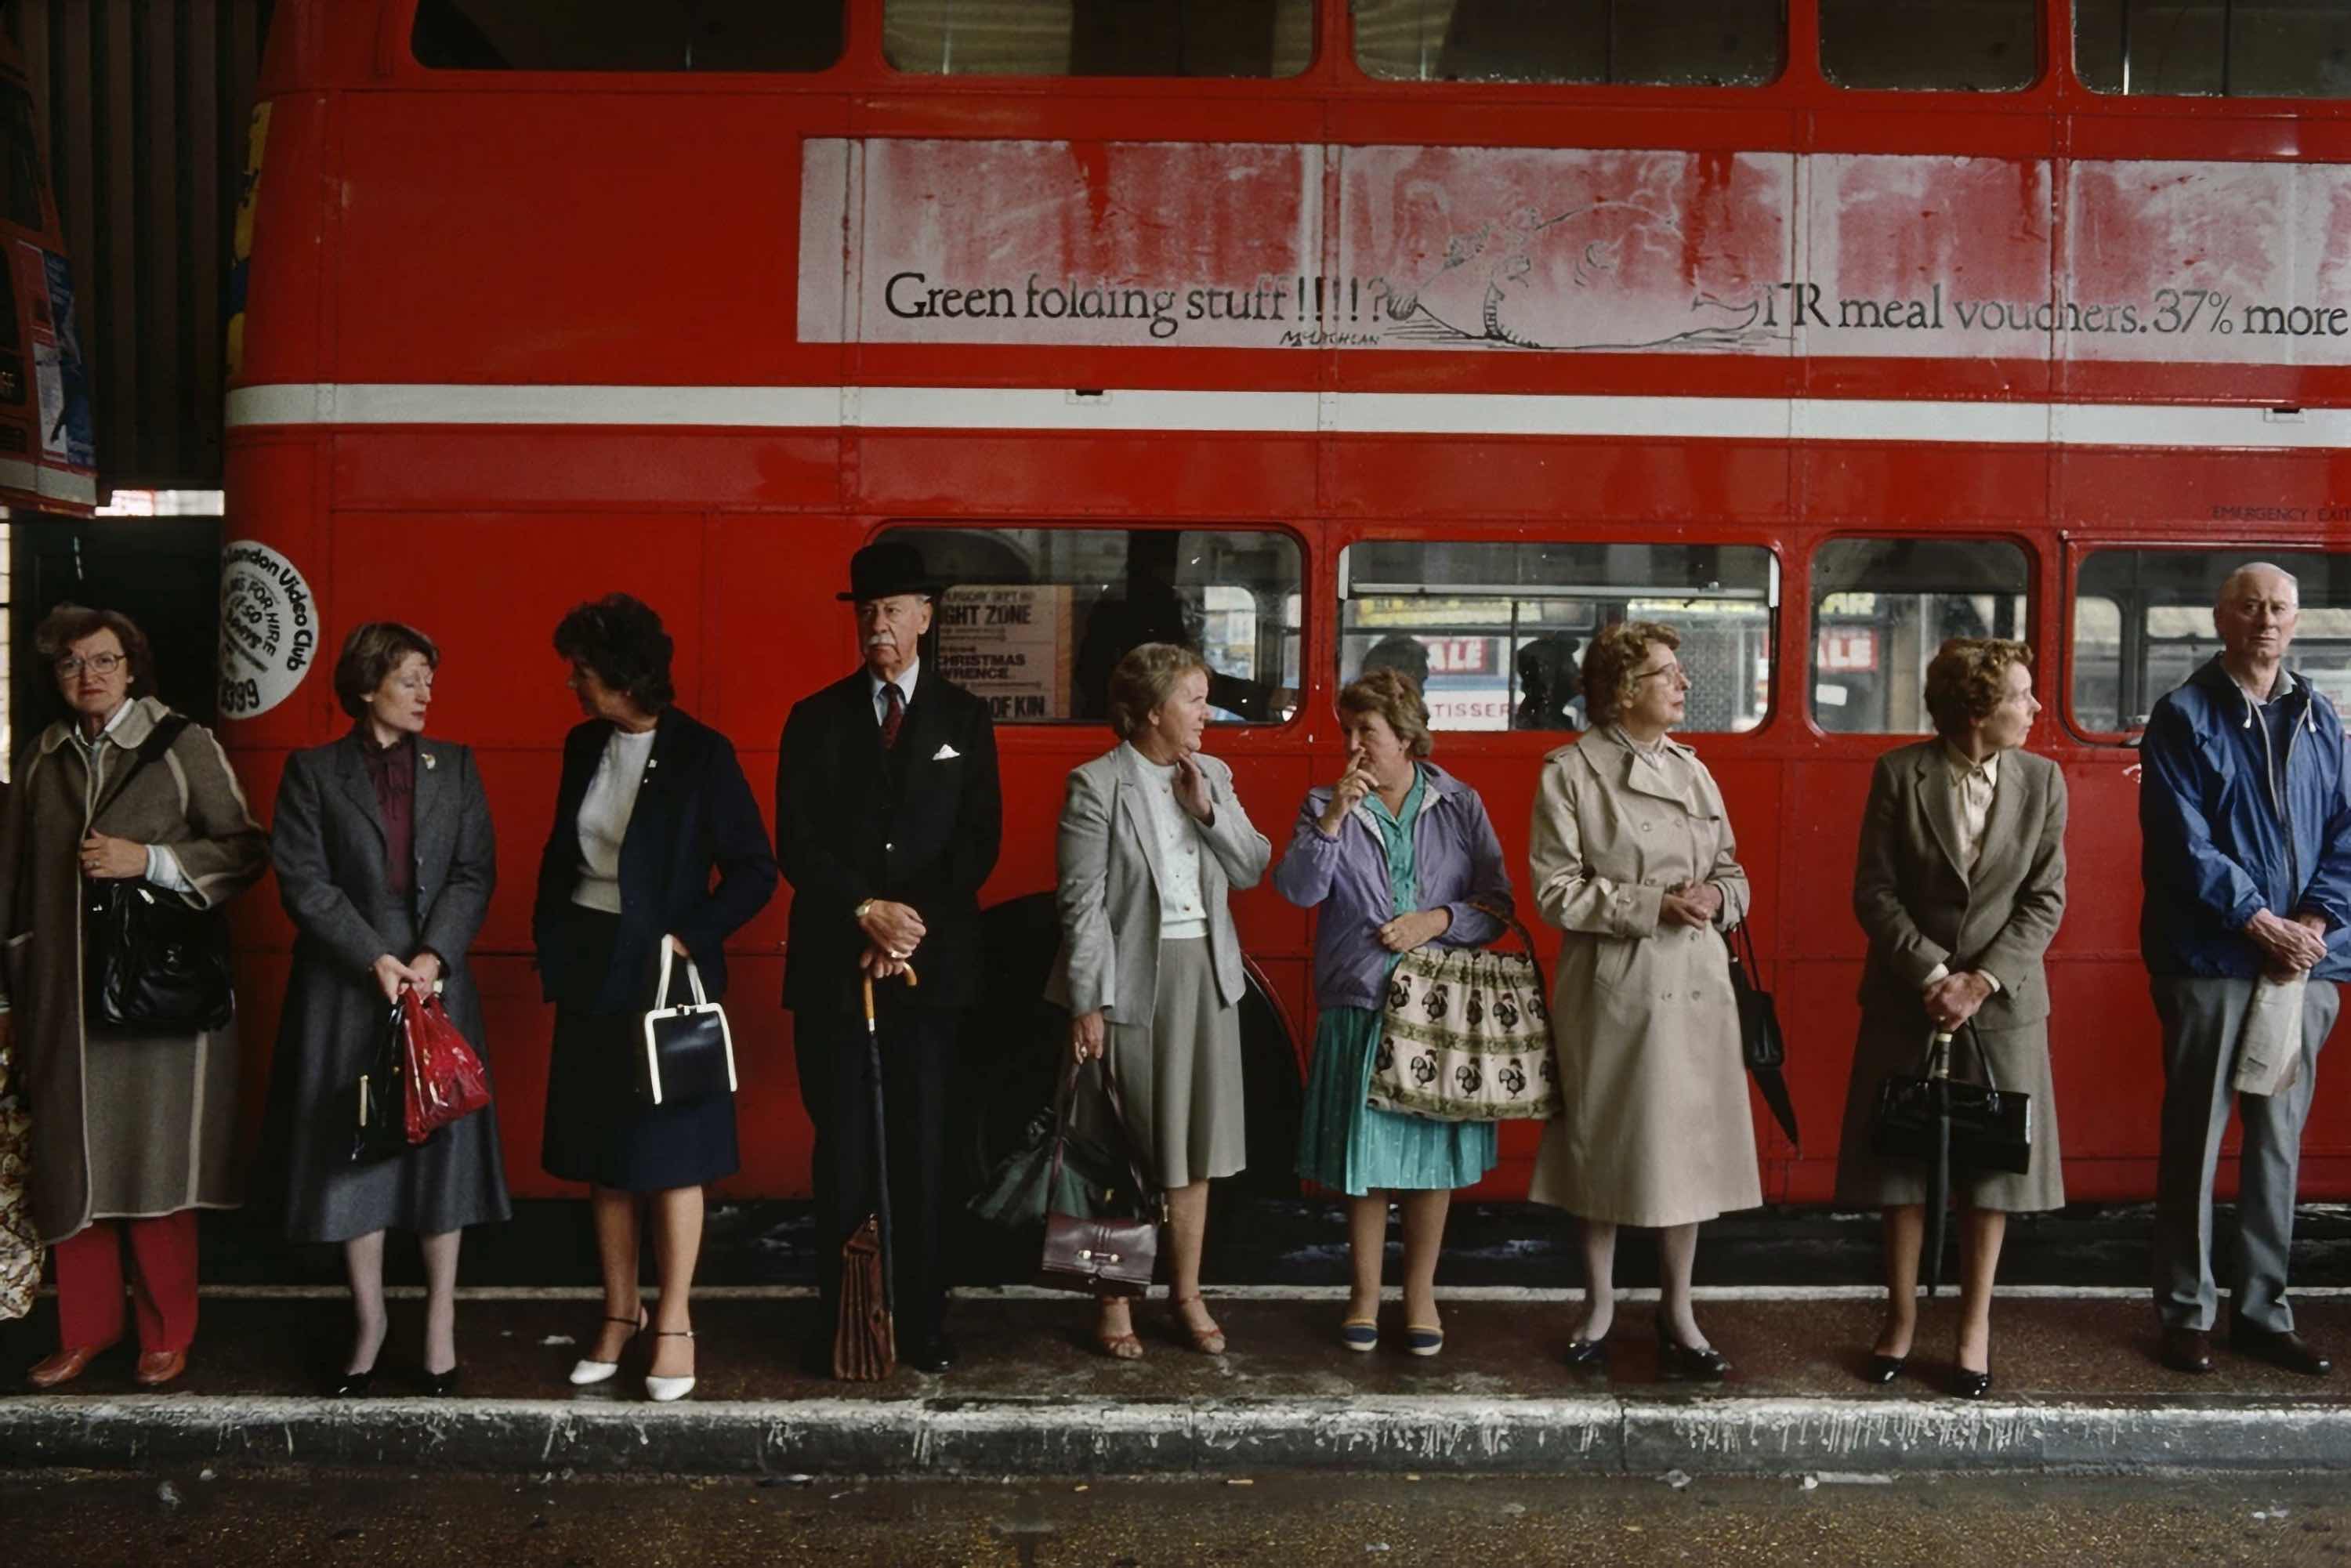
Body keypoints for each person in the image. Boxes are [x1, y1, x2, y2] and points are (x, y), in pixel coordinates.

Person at [2, 605, 267, 1389]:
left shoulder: (183, 744)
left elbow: (245, 848)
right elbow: (12, 884)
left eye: (104, 660)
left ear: (131, 667)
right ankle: (86, 1330)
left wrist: (147, 860)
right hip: (61, 999)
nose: (89, 675)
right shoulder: (42, 756)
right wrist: (14, 990)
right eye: (71, 663)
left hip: (158, 1002)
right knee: (70, 1164)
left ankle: (165, 1332)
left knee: (155, 1168)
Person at [534, 593, 777, 1402]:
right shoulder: (583, 745)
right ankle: (619, 1313)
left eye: (582, 671)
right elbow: (565, 856)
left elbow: (755, 870)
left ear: (623, 676)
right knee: (604, 1159)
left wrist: (688, 937)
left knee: (675, 1158)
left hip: (667, 980)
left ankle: (673, 1320)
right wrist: (555, 944)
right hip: (593, 970)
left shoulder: (703, 755)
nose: (572, 683)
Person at [264, 621, 511, 1396]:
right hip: (347, 983)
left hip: (436, 980)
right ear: (367, 686)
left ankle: (439, 1323)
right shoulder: (312, 772)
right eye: (409, 679)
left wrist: (433, 958)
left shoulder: (455, 766)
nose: (425, 693)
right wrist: (373, 957)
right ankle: (368, 1322)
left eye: (429, 678)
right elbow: (304, 882)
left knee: (443, 1154)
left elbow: (473, 872)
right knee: (356, 1152)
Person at [777, 541, 1001, 1375]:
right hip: (835, 971)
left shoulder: (964, 719)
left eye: (895, 609)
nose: (879, 623)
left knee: (925, 1145)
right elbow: (797, 840)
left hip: (930, 973)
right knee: (842, 1149)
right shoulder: (814, 717)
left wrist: (905, 928)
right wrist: (863, 913)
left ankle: (922, 1319)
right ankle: (847, 1322)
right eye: (868, 610)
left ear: (925, 618)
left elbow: (977, 841)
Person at [1832, 639, 2067, 1400]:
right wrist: (1936, 976)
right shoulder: (1900, 773)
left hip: (2004, 1004)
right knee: (1900, 1165)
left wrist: (1982, 981)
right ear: (1976, 708)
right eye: (2020, 696)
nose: (2034, 708)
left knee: (1990, 1170)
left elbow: (2045, 899)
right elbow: (1874, 891)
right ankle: (1900, 1319)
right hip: (1911, 998)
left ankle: (1973, 1329)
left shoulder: (2043, 781)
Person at [1526, 620, 1758, 1381]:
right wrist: (1654, 904)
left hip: (1694, 987)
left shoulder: (1694, 770)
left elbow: (1733, 871)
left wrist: (1718, 898)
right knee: (1605, 1147)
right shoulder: (1571, 773)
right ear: (1625, 690)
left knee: (1685, 1152)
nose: (1683, 684)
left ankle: (1678, 1309)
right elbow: (1555, 890)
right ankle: (1598, 1305)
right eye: (1667, 673)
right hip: (1617, 988)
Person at [2143, 562, 2351, 1379]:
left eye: (2279, 608)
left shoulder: (2321, 715)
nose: (2266, 620)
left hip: (2305, 964)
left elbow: (2348, 831)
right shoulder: (2184, 715)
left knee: (2277, 1144)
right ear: (2221, 618)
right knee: (2196, 1139)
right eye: (2251, 606)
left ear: (2295, 623)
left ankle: (2264, 1314)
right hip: (2213, 960)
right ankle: (2186, 1313)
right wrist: (2258, 920)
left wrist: (2314, 922)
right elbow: (2181, 841)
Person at [1277, 667, 1512, 1357]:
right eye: (1347, 731)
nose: (1353, 745)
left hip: (1436, 1006)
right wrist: (1332, 819)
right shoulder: (1322, 803)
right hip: (1361, 1000)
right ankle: (1363, 1294)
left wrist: (1435, 920)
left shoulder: (1459, 803)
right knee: (1368, 1158)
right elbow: (1297, 891)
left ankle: (1420, 1295)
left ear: (1406, 738)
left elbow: (1498, 904)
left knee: (1431, 1161)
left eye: (1367, 732)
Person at [1054, 643, 1270, 1359]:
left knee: (1195, 1145)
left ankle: (1185, 1292)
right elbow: (1082, 904)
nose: (1207, 713)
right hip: (1128, 983)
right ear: (1152, 711)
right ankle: (1113, 1297)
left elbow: (1252, 866)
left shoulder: (1214, 774)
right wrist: (1089, 1002)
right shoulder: (1096, 784)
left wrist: (1207, 811)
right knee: (1121, 1144)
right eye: (1194, 699)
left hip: (1206, 975)